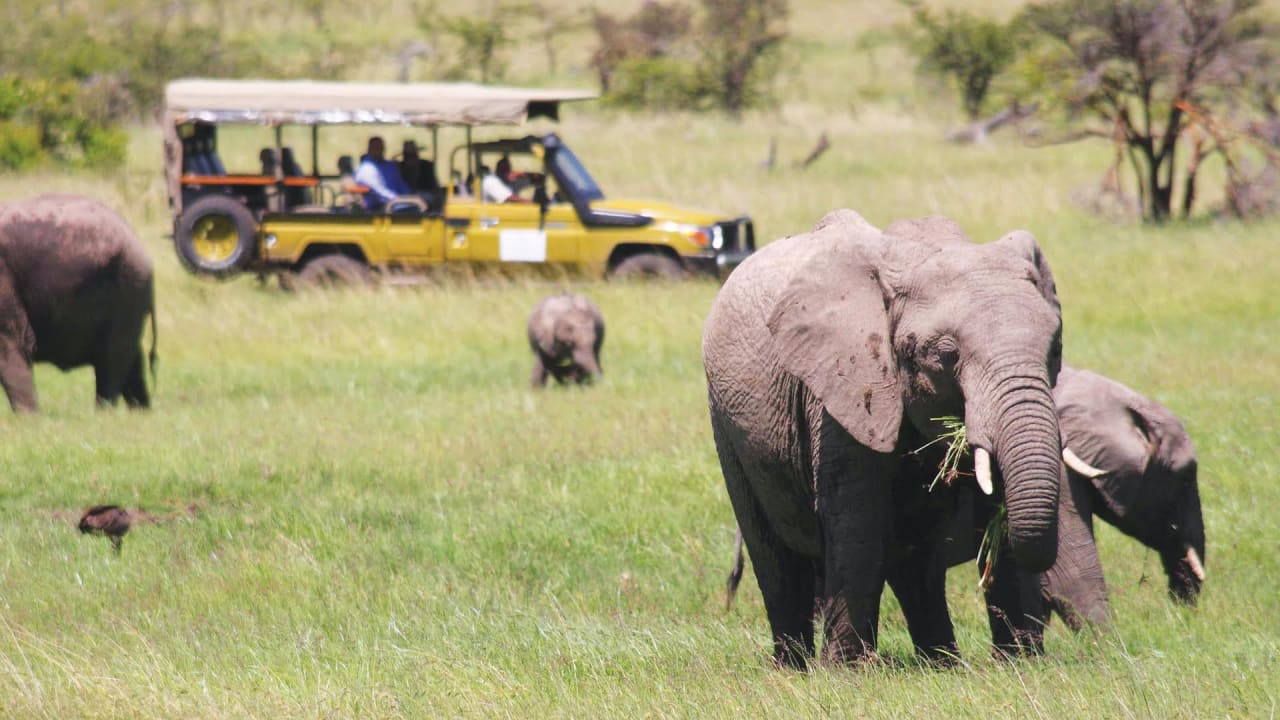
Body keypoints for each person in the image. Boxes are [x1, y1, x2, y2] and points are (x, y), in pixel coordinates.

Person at [354, 136, 413, 210]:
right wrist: (403, 200)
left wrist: (410, 196)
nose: (379, 150)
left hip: (397, 203)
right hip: (377, 207)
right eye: (376, 148)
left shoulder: (391, 166)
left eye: (381, 148)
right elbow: (380, 193)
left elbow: (401, 185)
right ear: (369, 149)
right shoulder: (366, 168)